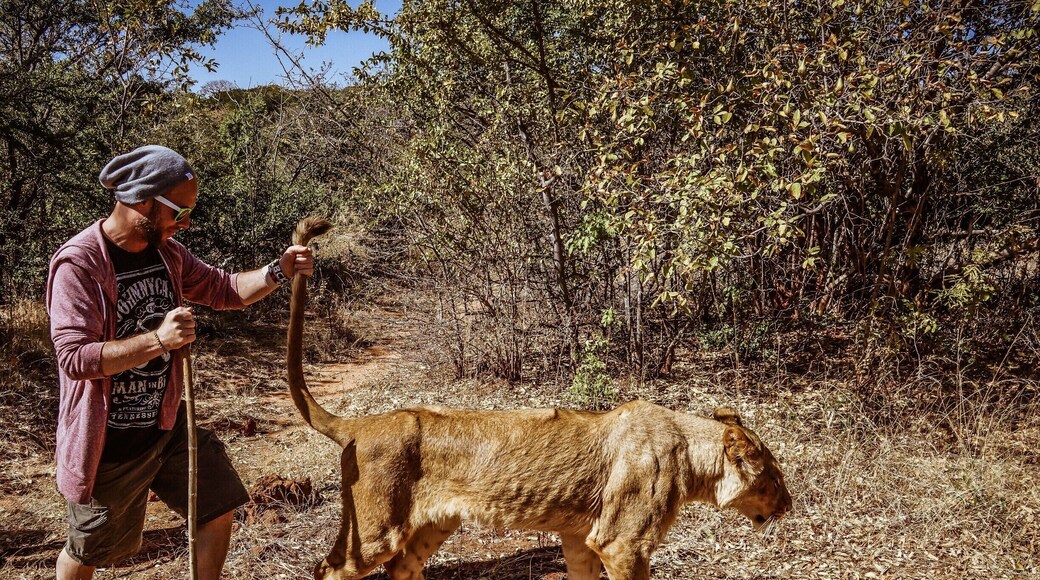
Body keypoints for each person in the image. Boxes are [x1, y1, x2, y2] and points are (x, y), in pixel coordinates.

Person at [46, 145, 314, 579]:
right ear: (141, 199)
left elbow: (223, 290)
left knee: (218, 505)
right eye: (178, 211)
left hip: (167, 423)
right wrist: (157, 340)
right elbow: (75, 359)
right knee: (88, 550)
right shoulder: (80, 265)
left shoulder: (168, 254)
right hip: (110, 440)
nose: (184, 223)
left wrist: (277, 271)